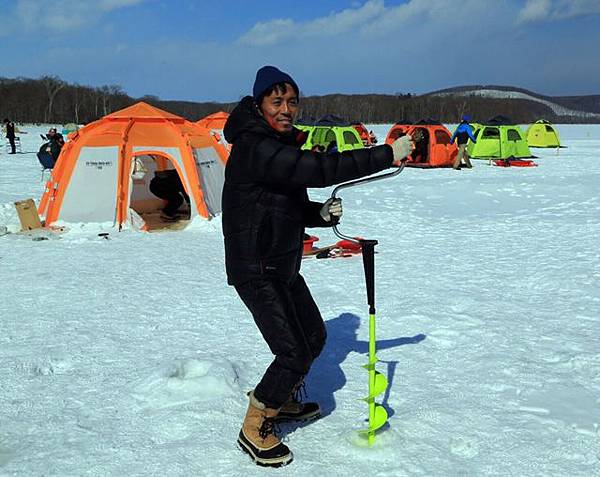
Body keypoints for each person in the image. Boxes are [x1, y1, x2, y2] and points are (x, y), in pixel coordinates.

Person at [222, 65, 413, 467]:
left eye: (292, 101)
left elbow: (283, 201)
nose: (287, 109)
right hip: (256, 267)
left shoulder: (278, 143)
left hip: (282, 262)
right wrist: (385, 154)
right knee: (292, 352)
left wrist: (320, 214)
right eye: (277, 101)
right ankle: (256, 423)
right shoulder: (255, 145)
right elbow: (319, 171)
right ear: (259, 104)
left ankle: (283, 400)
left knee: (313, 337)